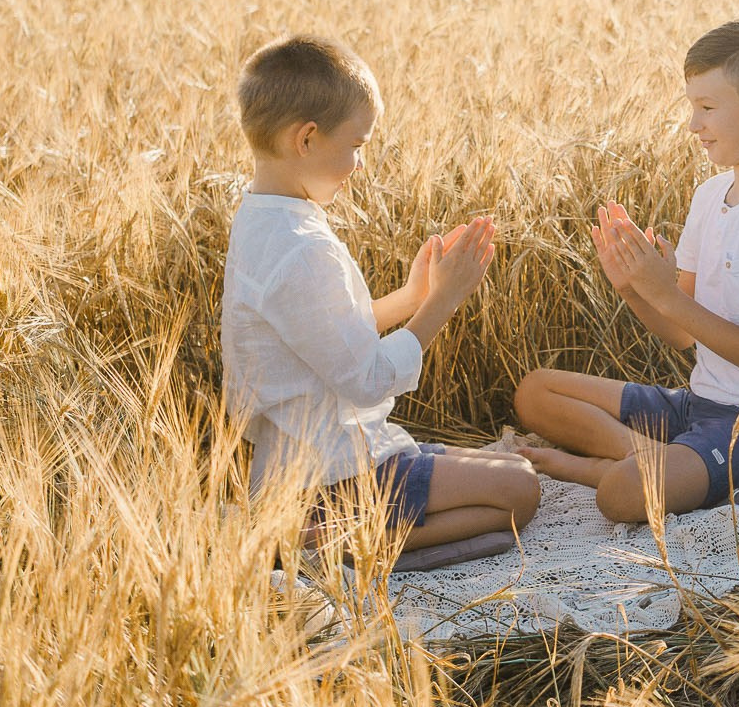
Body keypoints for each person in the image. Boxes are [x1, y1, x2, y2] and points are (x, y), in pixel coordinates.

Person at [513, 17, 739, 523]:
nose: (694, 125)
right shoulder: (710, 196)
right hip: (699, 404)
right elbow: (681, 337)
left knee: (620, 495)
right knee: (535, 392)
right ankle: (639, 453)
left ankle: (613, 465)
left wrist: (666, 294)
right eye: (693, 106)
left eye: (707, 108)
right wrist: (633, 288)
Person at [221, 34, 541, 552]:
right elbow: (367, 379)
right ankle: (324, 543)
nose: (361, 166)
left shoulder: (264, 221)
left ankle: (317, 528)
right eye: (356, 146)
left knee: (511, 466)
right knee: (520, 491)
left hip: (313, 462)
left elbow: (327, 338)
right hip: (328, 477)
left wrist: (411, 297)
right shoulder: (301, 249)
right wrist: (442, 303)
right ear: (306, 140)